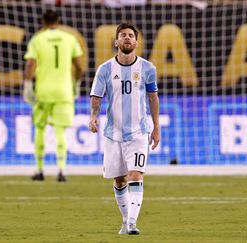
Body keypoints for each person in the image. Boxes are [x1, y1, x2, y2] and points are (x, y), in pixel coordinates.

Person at [89, 23, 160, 235]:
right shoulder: (105, 69)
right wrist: (93, 117)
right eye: (123, 35)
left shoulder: (148, 68)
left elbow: (152, 98)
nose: (127, 38)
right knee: (119, 180)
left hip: (139, 132)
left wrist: (156, 128)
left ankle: (131, 223)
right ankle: (125, 220)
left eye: (131, 35)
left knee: (135, 175)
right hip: (113, 134)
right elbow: (96, 97)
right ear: (116, 42)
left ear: (136, 42)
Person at [23, 10, 84, 182]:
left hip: (43, 91)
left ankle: (40, 169)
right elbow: (80, 66)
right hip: (64, 91)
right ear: (59, 21)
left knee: (40, 129)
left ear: (43, 21)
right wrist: (76, 83)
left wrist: (27, 85)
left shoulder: (38, 39)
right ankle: (61, 170)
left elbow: (30, 65)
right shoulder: (70, 38)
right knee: (60, 131)